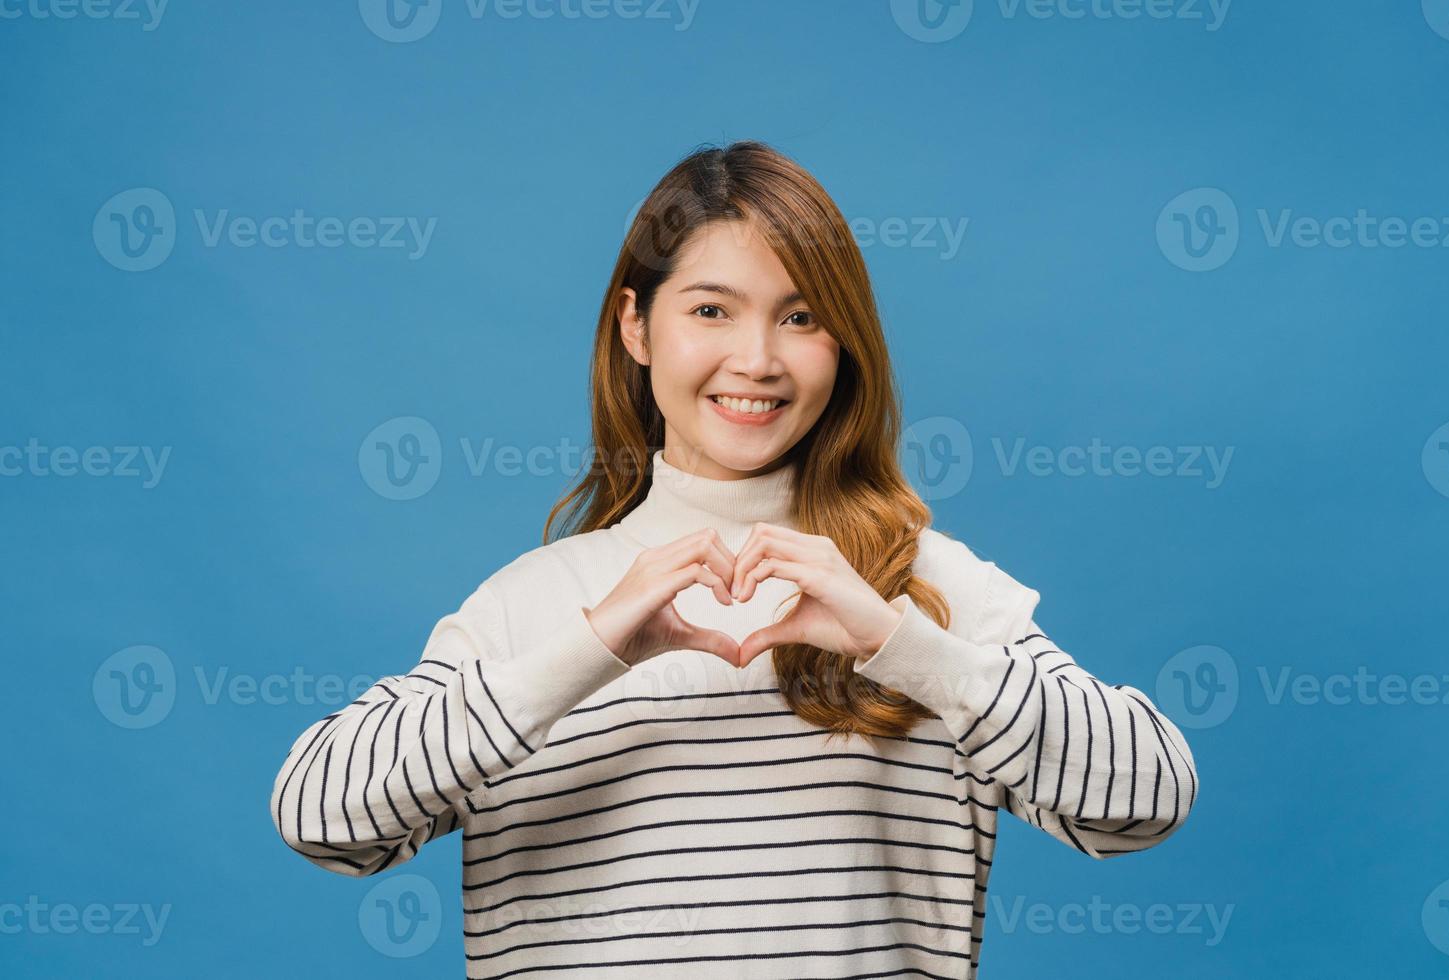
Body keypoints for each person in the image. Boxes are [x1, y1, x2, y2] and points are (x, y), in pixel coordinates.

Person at [269, 140, 1199, 978]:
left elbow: (1146, 798)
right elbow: (321, 819)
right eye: (711, 309)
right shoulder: (532, 606)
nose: (755, 359)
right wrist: (584, 655)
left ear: (845, 346)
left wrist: (904, 645)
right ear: (636, 328)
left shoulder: (929, 584)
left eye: (800, 318)